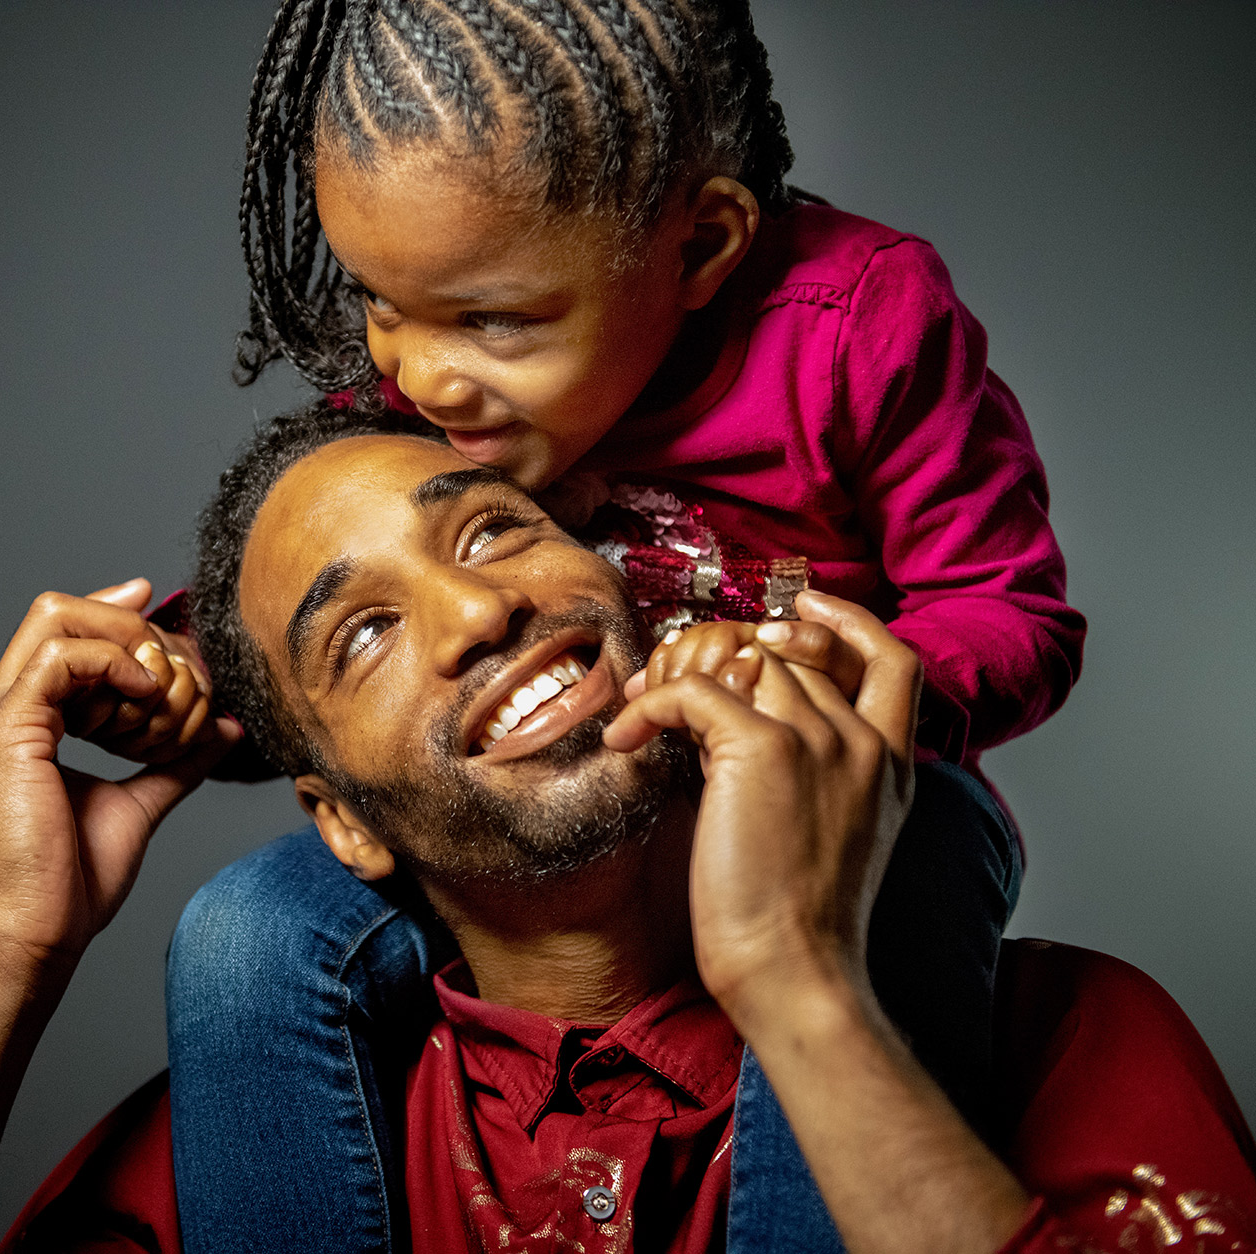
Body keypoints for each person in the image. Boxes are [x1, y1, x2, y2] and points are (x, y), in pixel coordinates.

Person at [0, 415, 1253, 1254]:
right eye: (360, 633)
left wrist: (798, 983)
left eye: (490, 530)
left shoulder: (1068, 1041)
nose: (479, 609)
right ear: (341, 823)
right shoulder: (250, 1139)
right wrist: (4, 949)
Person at [172, 3, 1086, 1248]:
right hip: (555, 838)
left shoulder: (856, 328)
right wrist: (182, 677)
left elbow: (1014, 607)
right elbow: (336, 614)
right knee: (244, 932)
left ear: (700, 244)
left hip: (848, 797)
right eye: (382, 302)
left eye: (493, 320)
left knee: (900, 901)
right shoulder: (430, 377)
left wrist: (851, 683)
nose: (420, 380)